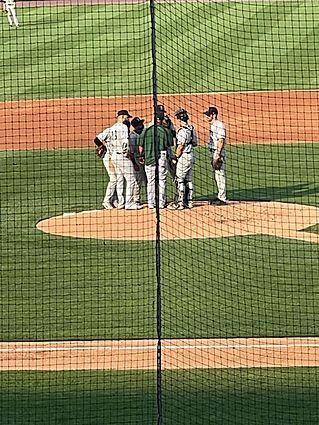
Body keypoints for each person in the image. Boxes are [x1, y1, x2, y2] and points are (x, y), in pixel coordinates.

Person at [94, 110, 141, 210]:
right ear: (123, 117)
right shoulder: (123, 127)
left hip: (113, 157)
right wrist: (127, 152)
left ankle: (121, 202)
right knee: (131, 179)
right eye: (127, 117)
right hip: (121, 156)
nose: (128, 119)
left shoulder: (111, 129)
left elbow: (96, 139)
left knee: (119, 179)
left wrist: (102, 146)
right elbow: (125, 142)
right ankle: (129, 203)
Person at [137, 110, 171, 209]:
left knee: (150, 181)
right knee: (162, 180)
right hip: (162, 156)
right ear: (161, 120)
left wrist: (141, 156)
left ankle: (151, 203)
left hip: (149, 157)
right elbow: (169, 145)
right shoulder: (165, 131)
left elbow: (140, 146)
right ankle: (161, 203)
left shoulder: (146, 130)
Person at [167, 108, 198, 210]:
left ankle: (179, 203)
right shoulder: (191, 128)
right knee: (188, 179)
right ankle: (189, 202)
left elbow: (180, 146)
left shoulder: (181, 131)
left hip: (183, 156)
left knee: (179, 179)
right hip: (191, 155)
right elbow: (195, 143)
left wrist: (175, 157)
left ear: (179, 119)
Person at [204, 106, 227, 205]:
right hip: (214, 151)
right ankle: (220, 196)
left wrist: (218, 154)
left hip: (218, 152)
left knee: (220, 175)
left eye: (208, 115)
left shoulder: (219, 125)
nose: (207, 117)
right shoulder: (213, 125)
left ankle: (222, 198)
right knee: (217, 175)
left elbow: (221, 140)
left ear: (214, 115)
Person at [129, 117, 147, 206]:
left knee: (148, 180)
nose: (142, 126)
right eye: (139, 124)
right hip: (136, 159)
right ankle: (136, 199)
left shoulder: (144, 133)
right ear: (135, 126)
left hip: (146, 159)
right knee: (138, 181)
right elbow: (131, 152)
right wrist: (134, 163)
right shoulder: (132, 136)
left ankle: (151, 198)